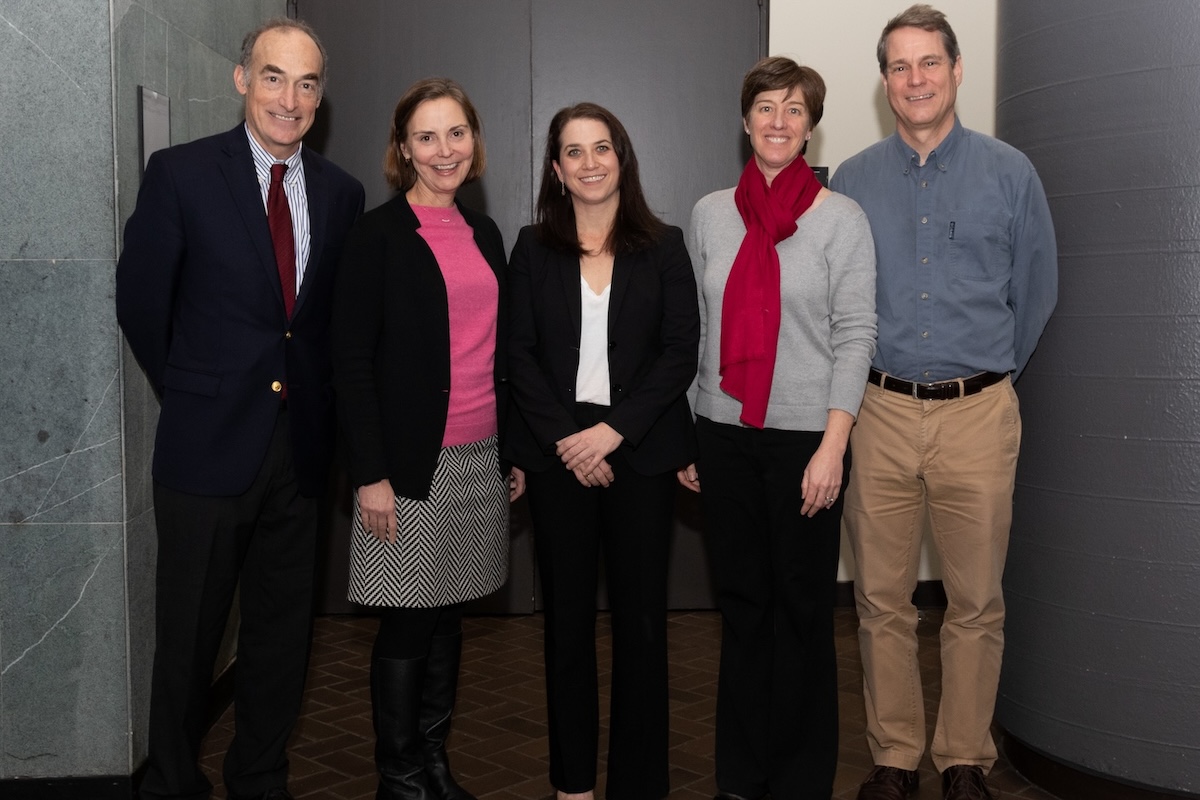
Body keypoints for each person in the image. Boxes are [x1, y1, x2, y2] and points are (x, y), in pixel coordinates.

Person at [114, 18, 365, 800]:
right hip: (205, 449)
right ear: (241, 78)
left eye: (307, 83)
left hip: (301, 456)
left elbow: (324, 326)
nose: (289, 99)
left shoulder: (340, 191)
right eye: (273, 77)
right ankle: (172, 781)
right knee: (188, 637)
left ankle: (260, 776)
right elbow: (141, 305)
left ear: (321, 96)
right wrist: (198, 386)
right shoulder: (182, 174)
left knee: (282, 635)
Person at [829, 6, 1058, 800]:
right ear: (884, 82)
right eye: (899, 66)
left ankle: (964, 757)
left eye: (930, 62)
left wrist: (984, 381)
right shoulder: (851, 181)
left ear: (958, 70)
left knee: (975, 599)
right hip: (881, 411)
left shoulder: (1010, 173)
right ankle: (895, 756)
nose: (915, 79)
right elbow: (836, 303)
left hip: (977, 413)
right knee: (881, 599)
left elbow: (1034, 295)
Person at [677, 56, 877, 800]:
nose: (779, 121)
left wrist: (834, 446)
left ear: (810, 123)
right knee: (743, 609)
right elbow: (694, 332)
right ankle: (741, 774)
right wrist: (689, 435)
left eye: (794, 109)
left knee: (799, 614)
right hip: (723, 434)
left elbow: (856, 334)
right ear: (745, 118)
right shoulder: (708, 214)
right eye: (766, 106)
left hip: (805, 443)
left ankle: (798, 779)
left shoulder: (841, 218)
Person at [331, 78, 523, 800]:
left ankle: (435, 763)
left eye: (456, 134)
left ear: (473, 141)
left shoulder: (486, 233)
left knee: (450, 621)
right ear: (402, 150)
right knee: (409, 627)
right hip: (409, 469)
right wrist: (369, 474)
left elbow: (499, 354)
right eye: (426, 137)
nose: (444, 150)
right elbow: (350, 363)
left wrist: (513, 454)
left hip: (479, 459)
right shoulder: (377, 238)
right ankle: (400, 777)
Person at [505, 102, 699, 800]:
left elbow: (679, 354)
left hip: (637, 451)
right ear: (556, 170)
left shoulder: (665, 244)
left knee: (643, 626)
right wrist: (568, 439)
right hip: (558, 452)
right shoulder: (531, 248)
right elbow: (517, 354)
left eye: (602, 148)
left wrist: (613, 432)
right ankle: (574, 785)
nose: (590, 163)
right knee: (566, 625)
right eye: (573, 152)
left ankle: (640, 784)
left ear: (623, 158)